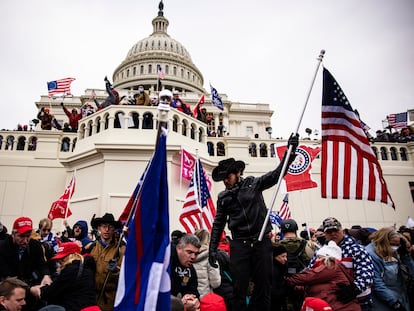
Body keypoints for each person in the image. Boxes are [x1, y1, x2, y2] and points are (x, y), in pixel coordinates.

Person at [208, 133, 299, 311]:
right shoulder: (223, 197)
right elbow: (218, 224)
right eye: (224, 178)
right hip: (239, 245)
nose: (226, 180)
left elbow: (276, 175)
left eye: (228, 176)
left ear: (238, 173)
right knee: (239, 288)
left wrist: (290, 151)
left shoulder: (253, 184)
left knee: (264, 285)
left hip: (261, 242)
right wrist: (212, 249)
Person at [315, 217, 374, 310]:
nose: (333, 234)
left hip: (360, 302)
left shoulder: (357, 249)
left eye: (336, 230)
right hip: (333, 302)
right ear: (325, 234)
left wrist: (354, 288)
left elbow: (367, 272)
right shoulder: (321, 252)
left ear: (342, 230)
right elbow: (312, 270)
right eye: (329, 232)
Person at [287, 241, 361, 311]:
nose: (316, 260)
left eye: (319, 257)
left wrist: (289, 279)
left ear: (327, 258)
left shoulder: (331, 265)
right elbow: (310, 286)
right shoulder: (326, 274)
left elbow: (310, 276)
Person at [0, 217, 52, 311]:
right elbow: (7, 276)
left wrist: (46, 275)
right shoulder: (2, 247)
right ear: (13, 234)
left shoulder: (35, 245)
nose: (25, 240)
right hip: (9, 294)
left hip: (30, 295)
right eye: (21, 236)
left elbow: (42, 265)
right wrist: (29, 288)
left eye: (28, 236)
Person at [30, 242, 98, 311]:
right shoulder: (86, 268)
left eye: (63, 258)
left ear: (71, 256)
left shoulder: (71, 270)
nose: (60, 261)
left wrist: (38, 289)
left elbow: (50, 292)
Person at [365, 227, 412, 311]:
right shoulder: (371, 254)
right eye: (393, 244)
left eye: (398, 245)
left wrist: (406, 255)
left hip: (401, 296)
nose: (395, 247)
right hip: (384, 303)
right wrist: (395, 303)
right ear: (384, 241)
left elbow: (411, 272)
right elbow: (377, 283)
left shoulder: (394, 250)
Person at [89, 213, 125, 311]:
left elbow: (126, 275)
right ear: (99, 228)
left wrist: (116, 271)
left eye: (110, 227)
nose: (107, 230)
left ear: (114, 229)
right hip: (91, 298)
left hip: (110, 299)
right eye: (104, 226)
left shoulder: (121, 249)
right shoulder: (91, 248)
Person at [171, 234, 201, 311]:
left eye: (196, 254)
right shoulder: (166, 260)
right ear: (179, 248)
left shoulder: (190, 269)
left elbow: (193, 289)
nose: (193, 257)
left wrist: (191, 298)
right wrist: (179, 303)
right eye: (189, 252)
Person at [193, 229, 221, 298]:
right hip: (205, 297)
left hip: (190, 298)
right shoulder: (210, 257)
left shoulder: (188, 255)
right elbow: (215, 283)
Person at [271, 244, 289, 311]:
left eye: (286, 256)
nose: (286, 259)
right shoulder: (273, 271)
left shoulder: (280, 267)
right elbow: (274, 291)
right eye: (283, 256)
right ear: (275, 257)